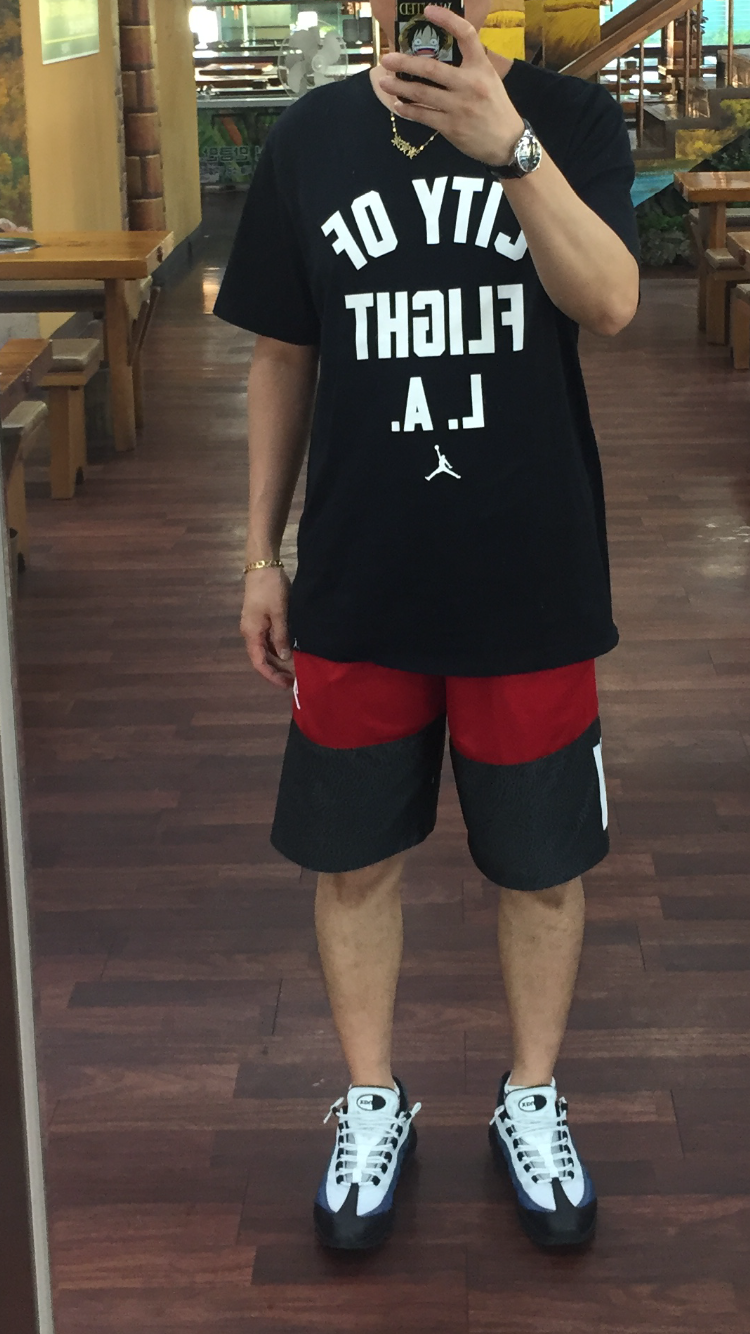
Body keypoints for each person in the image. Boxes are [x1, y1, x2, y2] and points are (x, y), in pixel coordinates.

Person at [214, 0, 640, 1254]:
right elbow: (281, 356)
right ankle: (370, 1096)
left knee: (543, 867)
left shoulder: (571, 121)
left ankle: (531, 1093)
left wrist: (510, 147)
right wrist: (259, 553)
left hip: (530, 571)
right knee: (353, 859)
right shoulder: (310, 139)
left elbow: (612, 300)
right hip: (362, 571)